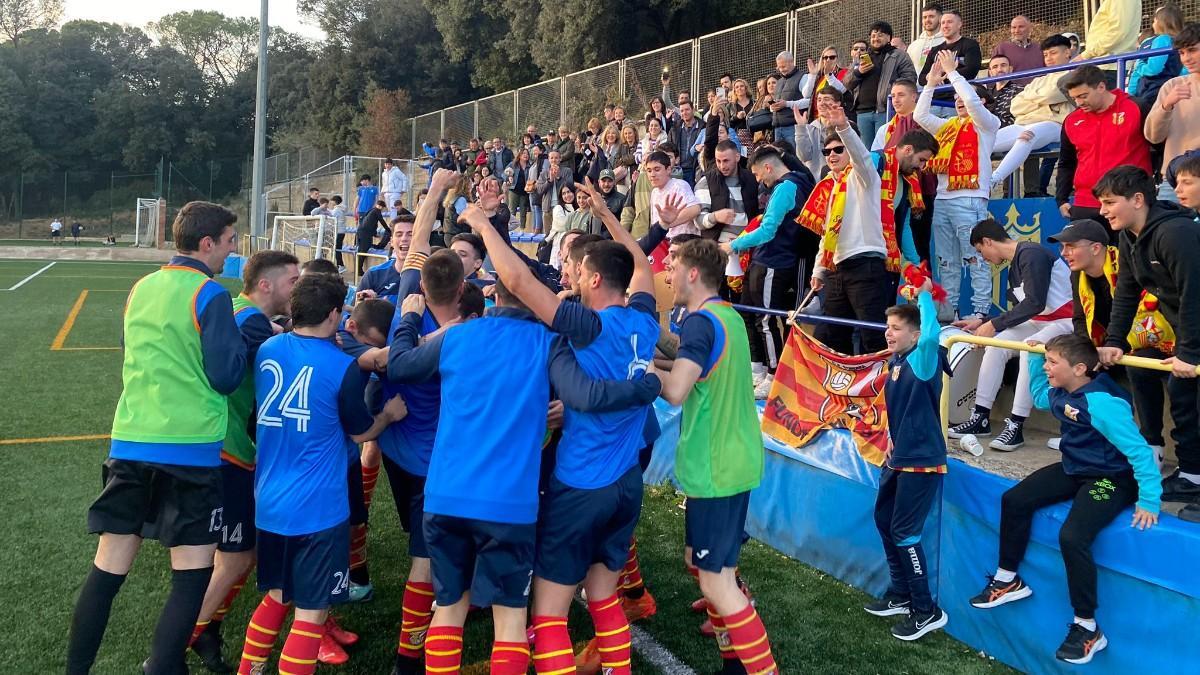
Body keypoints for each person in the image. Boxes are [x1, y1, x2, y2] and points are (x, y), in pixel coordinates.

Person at [386, 202, 660, 675]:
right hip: (538, 498)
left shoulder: (460, 337)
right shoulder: (590, 333)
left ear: (494, 293)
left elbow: (399, 364)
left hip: (454, 493)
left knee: (454, 608)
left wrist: (411, 319)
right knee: (521, 617)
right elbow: (638, 275)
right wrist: (646, 386)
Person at [480, 181, 659, 675]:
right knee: (604, 598)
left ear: (596, 279)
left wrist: (480, 224)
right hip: (627, 483)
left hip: (582, 482)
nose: (574, 276)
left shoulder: (588, 325)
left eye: (580, 271)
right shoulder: (645, 319)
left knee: (550, 613)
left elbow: (516, 282)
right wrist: (604, 212)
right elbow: (641, 266)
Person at [65, 202, 245, 675]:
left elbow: (129, 353)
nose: (232, 250)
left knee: (106, 572)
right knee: (190, 578)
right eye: (229, 241)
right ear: (207, 244)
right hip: (189, 448)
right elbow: (226, 376)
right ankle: (164, 668)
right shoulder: (210, 293)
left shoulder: (140, 288)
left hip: (130, 441)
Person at [236, 273, 408, 675]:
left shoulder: (268, 349)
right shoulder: (341, 366)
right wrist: (388, 414)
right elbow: (360, 431)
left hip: (270, 500)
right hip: (317, 508)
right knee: (311, 614)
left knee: (279, 598)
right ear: (334, 314)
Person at [969, 334, 1160, 665]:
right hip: (1075, 468)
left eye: (1052, 362)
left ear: (1080, 368)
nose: (1046, 367)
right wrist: (1033, 354)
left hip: (1111, 478)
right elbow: (1043, 398)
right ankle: (1007, 579)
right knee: (1014, 500)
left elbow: (1141, 453)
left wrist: (1150, 500)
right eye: (1046, 361)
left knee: (1072, 537)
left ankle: (1087, 627)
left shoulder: (1102, 403)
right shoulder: (1060, 391)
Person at [656, 238, 778, 675]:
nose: (667, 275)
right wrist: (658, 350)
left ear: (692, 273)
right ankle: (734, 661)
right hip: (733, 459)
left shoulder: (700, 323)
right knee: (701, 564)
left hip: (716, 467)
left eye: (672, 267)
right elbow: (697, 368)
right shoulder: (725, 316)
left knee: (716, 581)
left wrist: (637, 367)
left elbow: (675, 392)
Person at [186, 250, 299, 673]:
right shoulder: (251, 320)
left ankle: (207, 629)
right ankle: (171, 648)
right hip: (228, 450)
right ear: (265, 285)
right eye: (292, 280)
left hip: (216, 445)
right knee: (235, 558)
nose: (298, 286)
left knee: (231, 554)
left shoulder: (235, 307)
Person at [1093, 166, 1200, 523]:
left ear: (1138, 200)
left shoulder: (1176, 233)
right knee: (1184, 400)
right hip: (1187, 332)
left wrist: (1189, 352)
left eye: (1110, 202)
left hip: (1192, 328)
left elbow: (1193, 295)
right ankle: (1191, 477)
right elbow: (1125, 292)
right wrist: (1113, 342)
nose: (1104, 211)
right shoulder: (1129, 236)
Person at [800, 106, 927, 355]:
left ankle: (881, 390)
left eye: (838, 150)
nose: (832, 155)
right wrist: (818, 270)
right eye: (827, 152)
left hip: (867, 266)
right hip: (838, 268)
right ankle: (842, 391)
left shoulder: (865, 178)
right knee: (832, 337)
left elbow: (862, 157)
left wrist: (844, 128)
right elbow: (828, 235)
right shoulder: (833, 186)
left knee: (874, 338)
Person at [1051, 218, 1173, 461]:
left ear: (1096, 248)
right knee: (1074, 363)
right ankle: (1082, 431)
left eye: (1071, 246)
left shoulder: (1128, 265)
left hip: (1153, 340)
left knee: (1139, 366)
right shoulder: (1078, 275)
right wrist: (1091, 349)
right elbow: (1079, 318)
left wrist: (1114, 348)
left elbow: (1143, 312)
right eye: (1062, 247)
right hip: (1108, 346)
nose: (1064, 253)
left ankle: (1152, 445)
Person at [865, 287, 949, 640]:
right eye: (888, 326)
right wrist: (890, 437)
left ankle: (925, 609)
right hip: (899, 456)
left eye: (897, 328)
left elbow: (932, 334)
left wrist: (926, 297)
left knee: (905, 532)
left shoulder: (924, 357)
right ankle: (901, 595)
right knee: (884, 519)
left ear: (915, 334)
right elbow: (901, 407)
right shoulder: (895, 361)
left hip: (922, 462)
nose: (889, 332)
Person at [950, 218, 1074, 451]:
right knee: (996, 345)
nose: (984, 258)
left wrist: (994, 323)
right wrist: (984, 322)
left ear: (988, 241)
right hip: (1039, 322)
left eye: (980, 250)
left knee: (1029, 348)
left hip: (1065, 322)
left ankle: (1016, 425)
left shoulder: (1031, 253)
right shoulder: (1015, 263)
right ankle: (980, 417)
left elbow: (1034, 303)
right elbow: (1023, 310)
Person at [723, 146, 816, 396]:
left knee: (766, 320)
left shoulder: (786, 187)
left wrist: (732, 244)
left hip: (776, 261)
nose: (757, 180)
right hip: (766, 260)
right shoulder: (798, 180)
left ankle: (775, 375)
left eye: (756, 174)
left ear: (767, 167)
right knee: (753, 315)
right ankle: (760, 368)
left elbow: (768, 230)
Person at [915, 50, 1001, 321]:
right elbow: (920, 115)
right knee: (946, 261)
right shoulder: (949, 127)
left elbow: (972, 102)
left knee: (975, 257)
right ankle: (949, 310)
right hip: (943, 200)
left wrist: (953, 73)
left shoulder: (986, 124)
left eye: (962, 98)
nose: (959, 102)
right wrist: (930, 83)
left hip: (970, 199)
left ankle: (979, 310)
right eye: (955, 100)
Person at [1056, 65, 1153, 240]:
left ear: (1101, 87)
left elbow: (1158, 146)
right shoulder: (1072, 120)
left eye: (1083, 96)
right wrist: (1061, 198)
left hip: (1127, 202)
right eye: (1074, 98)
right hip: (1085, 203)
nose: (1078, 103)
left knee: (1130, 261)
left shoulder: (1135, 107)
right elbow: (1066, 162)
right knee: (1085, 263)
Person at [992, 35, 1077, 197]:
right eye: (1045, 55)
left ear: (1067, 53)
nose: (1049, 58)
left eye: (1053, 53)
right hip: (1024, 123)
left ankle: (994, 179)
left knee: (1027, 137)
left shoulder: (1073, 74)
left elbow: (1053, 93)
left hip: (1055, 125)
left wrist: (1032, 100)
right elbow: (1016, 105)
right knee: (985, 140)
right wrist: (1045, 102)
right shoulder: (1039, 79)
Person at [1144, 22, 1200, 202]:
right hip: (1176, 178)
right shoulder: (1172, 86)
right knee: (1170, 229)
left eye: (1192, 50)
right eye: (1182, 53)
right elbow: (1153, 136)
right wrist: (1166, 106)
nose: (1186, 58)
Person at [696, 108, 760, 244]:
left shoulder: (752, 178)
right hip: (718, 246)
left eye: (726, 161)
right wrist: (716, 217)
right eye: (718, 161)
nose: (722, 166)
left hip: (748, 242)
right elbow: (699, 222)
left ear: (737, 157)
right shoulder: (706, 181)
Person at [847, 21, 918, 146]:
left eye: (880, 35)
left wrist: (892, 89)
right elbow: (847, 82)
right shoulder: (863, 56)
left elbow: (910, 78)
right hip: (863, 112)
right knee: (867, 153)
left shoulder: (899, 55)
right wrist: (858, 72)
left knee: (886, 148)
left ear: (889, 37)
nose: (876, 38)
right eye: (873, 35)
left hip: (886, 110)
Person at [917, 9, 983, 112]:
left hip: (957, 102)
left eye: (950, 22)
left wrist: (942, 75)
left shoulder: (970, 44)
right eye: (943, 23)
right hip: (934, 102)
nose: (945, 25)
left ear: (959, 24)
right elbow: (921, 79)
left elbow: (971, 70)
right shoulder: (935, 50)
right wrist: (930, 77)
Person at [358, 215, 417, 304]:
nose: (404, 239)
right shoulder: (373, 275)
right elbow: (355, 313)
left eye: (410, 234)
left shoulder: (428, 277)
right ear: (392, 242)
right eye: (399, 234)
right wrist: (367, 306)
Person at [645, 150, 700, 236]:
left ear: (668, 169)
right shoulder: (654, 192)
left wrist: (667, 224)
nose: (652, 174)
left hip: (682, 242)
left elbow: (694, 209)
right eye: (649, 171)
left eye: (657, 169)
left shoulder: (679, 185)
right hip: (662, 241)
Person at [991, 15, 1044, 85]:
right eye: (1013, 27)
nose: (1016, 31)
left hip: (1039, 92)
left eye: (1021, 27)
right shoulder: (1001, 48)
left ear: (1029, 28)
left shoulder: (1039, 49)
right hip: (1012, 94)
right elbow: (992, 75)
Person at [770, 50, 805, 137]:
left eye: (783, 66)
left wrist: (786, 104)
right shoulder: (779, 82)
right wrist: (772, 107)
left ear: (792, 62)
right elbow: (777, 103)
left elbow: (808, 101)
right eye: (779, 67)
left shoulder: (803, 77)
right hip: (777, 127)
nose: (781, 70)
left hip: (793, 126)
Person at [670, 100, 705, 185]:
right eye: (682, 111)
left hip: (695, 170)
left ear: (693, 110)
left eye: (687, 109)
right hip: (678, 170)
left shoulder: (703, 127)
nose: (684, 113)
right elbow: (669, 146)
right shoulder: (675, 128)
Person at [906, 3, 946, 73]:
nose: (927, 20)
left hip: (939, 83)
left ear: (940, 18)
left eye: (931, 16)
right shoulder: (913, 45)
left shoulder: (947, 41)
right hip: (915, 83)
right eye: (924, 17)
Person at [355, 200, 387, 276]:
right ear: (381, 207)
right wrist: (389, 230)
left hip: (361, 231)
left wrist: (374, 234)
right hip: (365, 233)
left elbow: (371, 223)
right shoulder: (377, 211)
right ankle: (359, 270)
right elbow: (381, 221)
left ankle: (358, 269)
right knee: (363, 251)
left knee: (361, 250)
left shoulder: (371, 210)